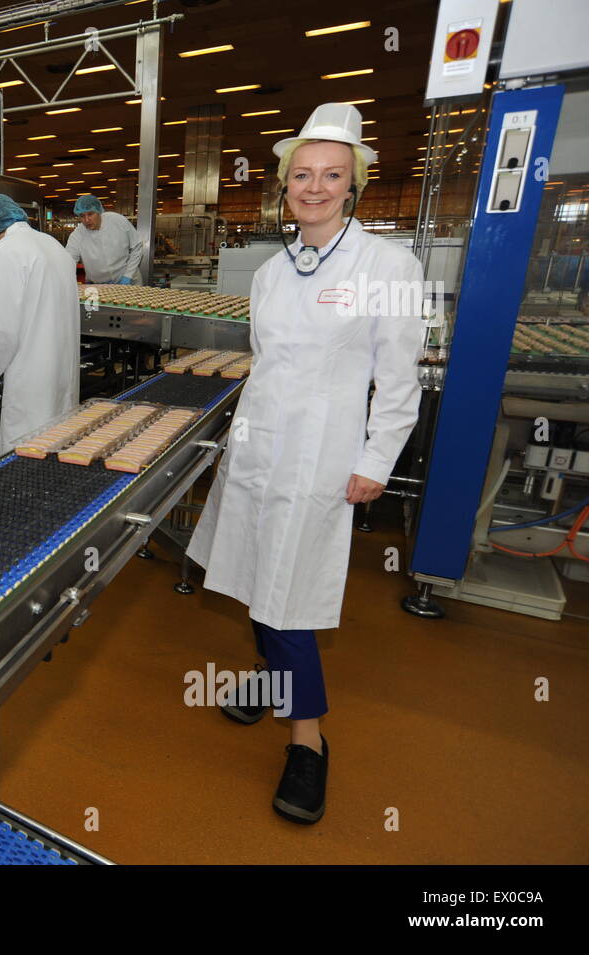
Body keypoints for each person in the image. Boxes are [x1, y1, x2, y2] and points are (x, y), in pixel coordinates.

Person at [185, 103, 425, 824]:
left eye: (332, 175)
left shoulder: (389, 265)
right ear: (285, 184)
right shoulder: (271, 271)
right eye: (303, 175)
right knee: (257, 578)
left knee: (289, 599)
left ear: (354, 183)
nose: (314, 188)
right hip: (258, 450)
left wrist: (377, 457)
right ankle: (269, 685)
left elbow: (400, 375)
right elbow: (269, 364)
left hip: (323, 459)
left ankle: (309, 742)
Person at [0, 193, 80, 455]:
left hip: (32, 377)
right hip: (62, 369)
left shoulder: (7, 251)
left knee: (26, 455)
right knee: (56, 444)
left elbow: (0, 332)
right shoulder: (52, 245)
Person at [65, 194, 144, 285]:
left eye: (90, 214)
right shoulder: (77, 235)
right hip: (99, 285)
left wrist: (128, 276)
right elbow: (68, 261)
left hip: (128, 281)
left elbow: (137, 246)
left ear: (99, 212)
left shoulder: (118, 221)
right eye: (82, 216)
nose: (86, 220)